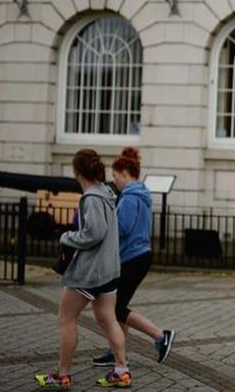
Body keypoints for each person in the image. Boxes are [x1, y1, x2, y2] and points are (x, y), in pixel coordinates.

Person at [35, 149, 132, 389]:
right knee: (108, 319)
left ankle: (63, 375)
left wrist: (68, 237)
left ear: (77, 172)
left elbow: (94, 233)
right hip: (109, 269)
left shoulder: (90, 197)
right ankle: (121, 370)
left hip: (89, 272)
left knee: (66, 318)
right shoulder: (108, 193)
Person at [93, 147, 176, 367]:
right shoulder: (140, 193)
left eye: (115, 176)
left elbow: (123, 227)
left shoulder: (129, 197)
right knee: (118, 307)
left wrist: (104, 226)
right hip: (138, 256)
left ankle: (160, 336)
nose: (114, 181)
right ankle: (116, 350)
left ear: (123, 174)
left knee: (116, 308)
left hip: (132, 257)